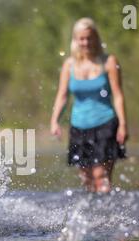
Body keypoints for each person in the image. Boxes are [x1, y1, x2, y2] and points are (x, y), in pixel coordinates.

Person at [50, 17, 128, 193]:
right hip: (79, 127)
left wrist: (123, 124)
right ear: (75, 40)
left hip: (105, 124)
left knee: (101, 178)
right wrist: (55, 121)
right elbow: (62, 96)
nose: (86, 42)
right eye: (82, 38)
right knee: (87, 181)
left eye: (89, 37)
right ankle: (94, 218)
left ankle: (108, 215)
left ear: (96, 38)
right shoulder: (69, 65)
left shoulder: (109, 62)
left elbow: (118, 95)